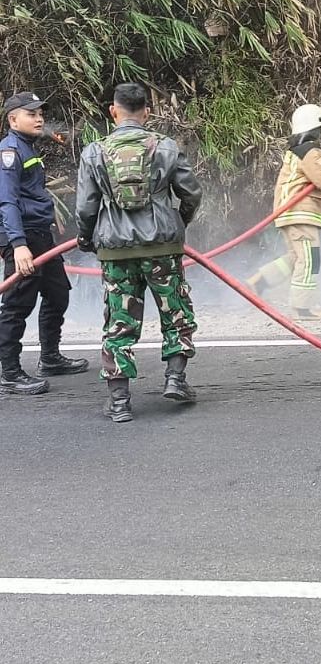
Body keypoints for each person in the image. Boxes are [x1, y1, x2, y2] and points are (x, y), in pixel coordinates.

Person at [75, 83, 202, 422]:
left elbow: (86, 207)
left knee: (119, 322)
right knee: (175, 312)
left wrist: (86, 238)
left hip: (115, 250)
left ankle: (119, 403)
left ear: (112, 111)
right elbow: (191, 194)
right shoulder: (166, 147)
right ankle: (176, 380)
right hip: (162, 247)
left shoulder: (94, 152)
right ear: (146, 112)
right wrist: (178, 223)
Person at [0, 92, 88, 395]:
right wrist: (18, 244)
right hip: (22, 237)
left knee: (58, 292)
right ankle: (9, 372)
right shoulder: (10, 152)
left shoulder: (27, 147)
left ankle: (50, 358)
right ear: (13, 119)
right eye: (31, 114)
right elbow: (7, 201)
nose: (39, 118)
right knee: (17, 303)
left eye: (40, 113)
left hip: (39, 235)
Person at [247, 104, 321, 320]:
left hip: (290, 212)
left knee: (297, 257)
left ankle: (260, 281)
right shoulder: (309, 151)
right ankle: (303, 308)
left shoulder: (300, 151)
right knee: (309, 259)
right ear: (316, 127)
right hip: (300, 212)